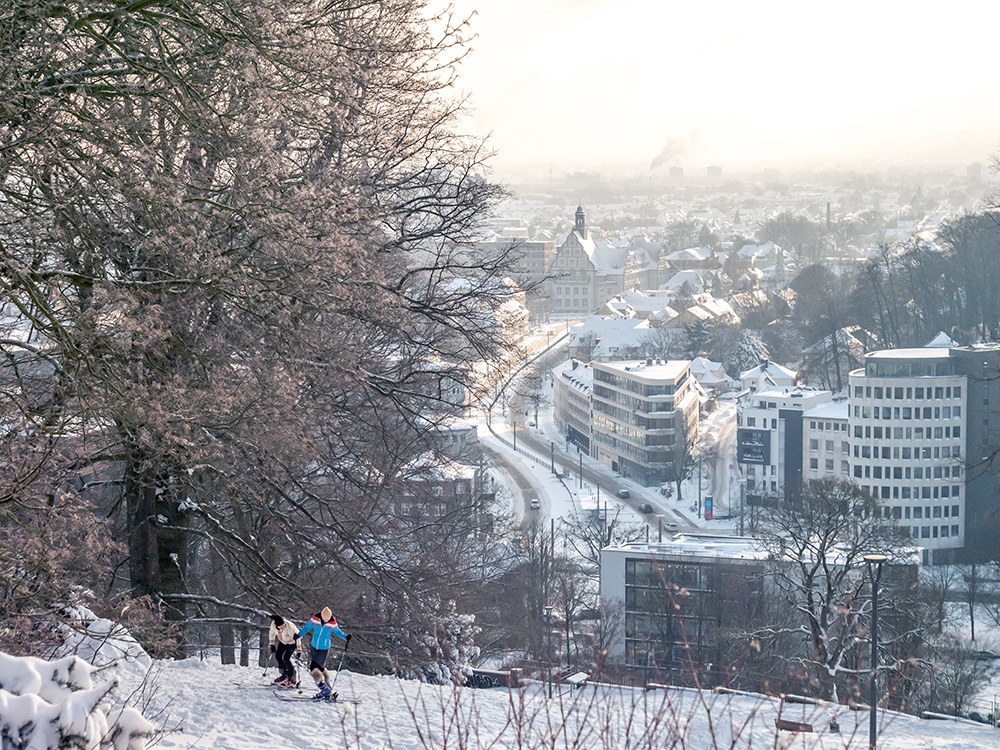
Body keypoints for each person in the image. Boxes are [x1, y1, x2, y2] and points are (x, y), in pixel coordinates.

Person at [296, 606, 351, 700]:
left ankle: (325, 690)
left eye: (327, 620)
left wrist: (345, 637)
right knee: (320, 668)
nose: (325, 621)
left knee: (314, 668)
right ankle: (327, 690)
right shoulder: (315, 619)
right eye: (324, 620)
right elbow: (307, 628)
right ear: (321, 616)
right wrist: (298, 635)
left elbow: (337, 632)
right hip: (314, 646)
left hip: (324, 649)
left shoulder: (332, 622)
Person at [268, 614, 300, 687]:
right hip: (283, 641)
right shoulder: (273, 626)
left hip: (292, 642)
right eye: (281, 626)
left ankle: (292, 676)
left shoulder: (290, 628)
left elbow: (298, 638)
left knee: (286, 658)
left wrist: (299, 650)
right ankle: (284, 674)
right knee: (278, 656)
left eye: (283, 625)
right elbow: (271, 634)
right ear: (276, 626)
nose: (283, 626)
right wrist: (272, 644)